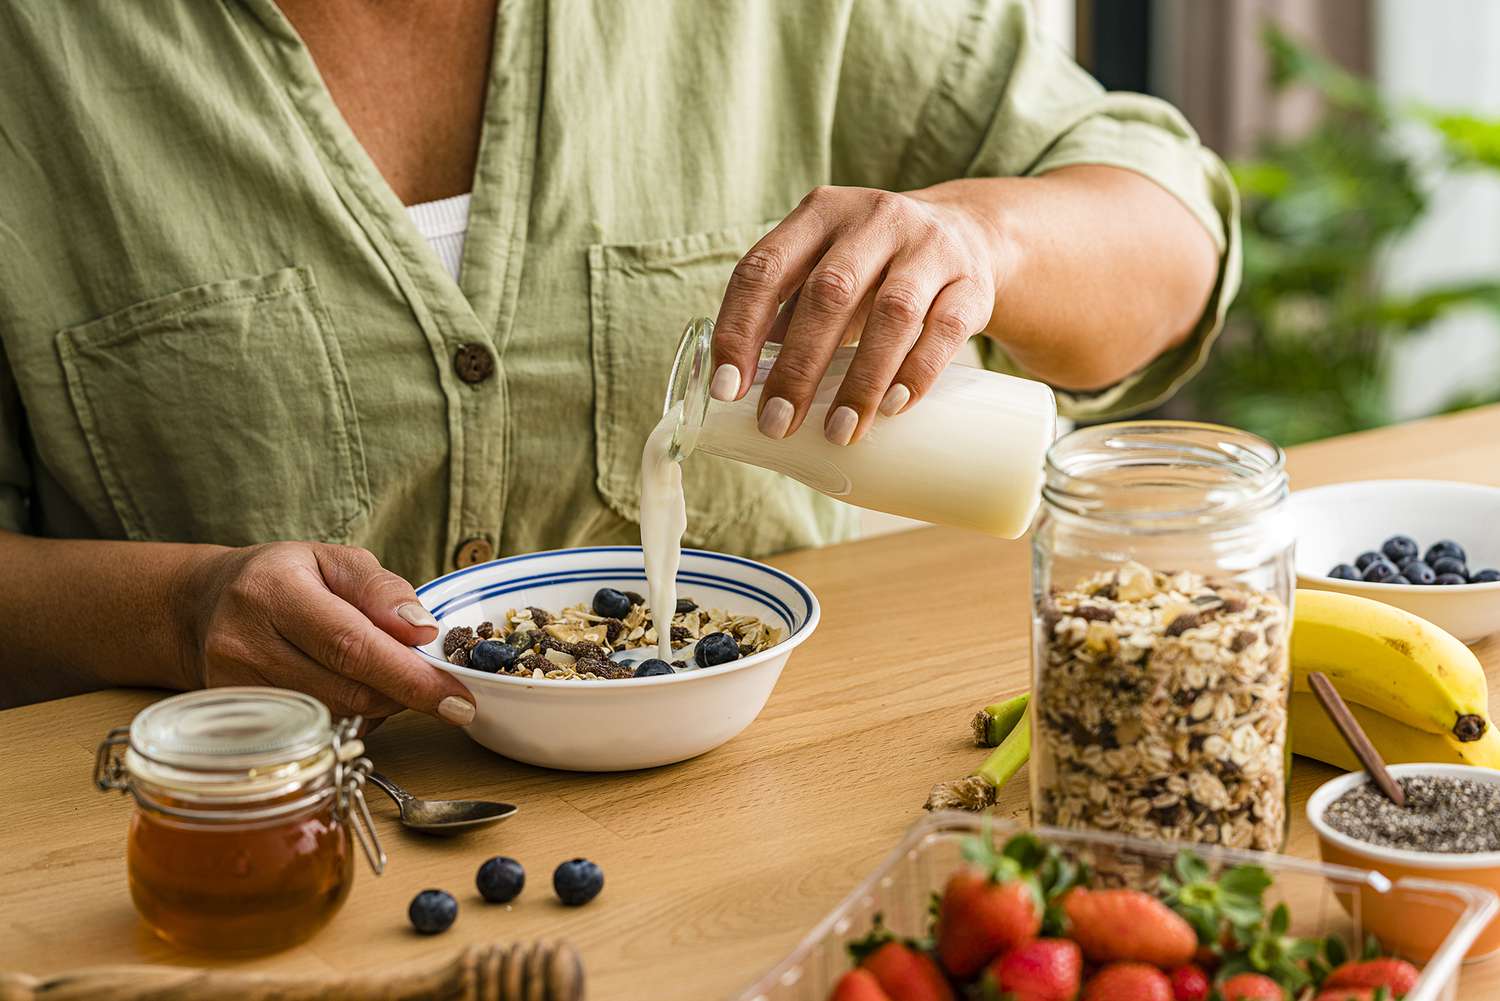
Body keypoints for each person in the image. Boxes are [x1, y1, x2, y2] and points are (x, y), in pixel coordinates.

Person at [0, 0, 1235, 719]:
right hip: (275, 839)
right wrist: (173, 609)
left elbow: (1171, 248)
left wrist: (987, 233)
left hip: (795, 802)